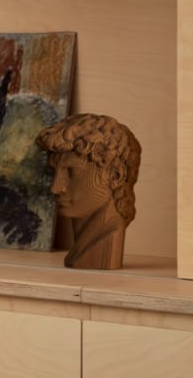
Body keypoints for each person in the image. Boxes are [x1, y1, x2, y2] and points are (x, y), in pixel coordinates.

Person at [37, 113, 141, 270]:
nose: (56, 188)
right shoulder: (85, 237)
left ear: (115, 176)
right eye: (54, 172)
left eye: (72, 173)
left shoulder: (107, 238)